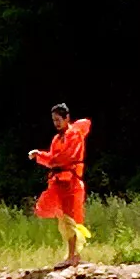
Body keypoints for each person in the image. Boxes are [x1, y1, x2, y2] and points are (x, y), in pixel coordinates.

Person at [31, 103, 93, 267]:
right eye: (54, 120)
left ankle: (73, 256)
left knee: (71, 218)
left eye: (58, 119)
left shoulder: (75, 135)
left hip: (71, 183)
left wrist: (45, 158)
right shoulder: (57, 138)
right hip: (59, 183)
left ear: (67, 118)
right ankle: (72, 255)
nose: (56, 123)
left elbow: (64, 157)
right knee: (63, 219)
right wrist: (39, 155)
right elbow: (53, 158)